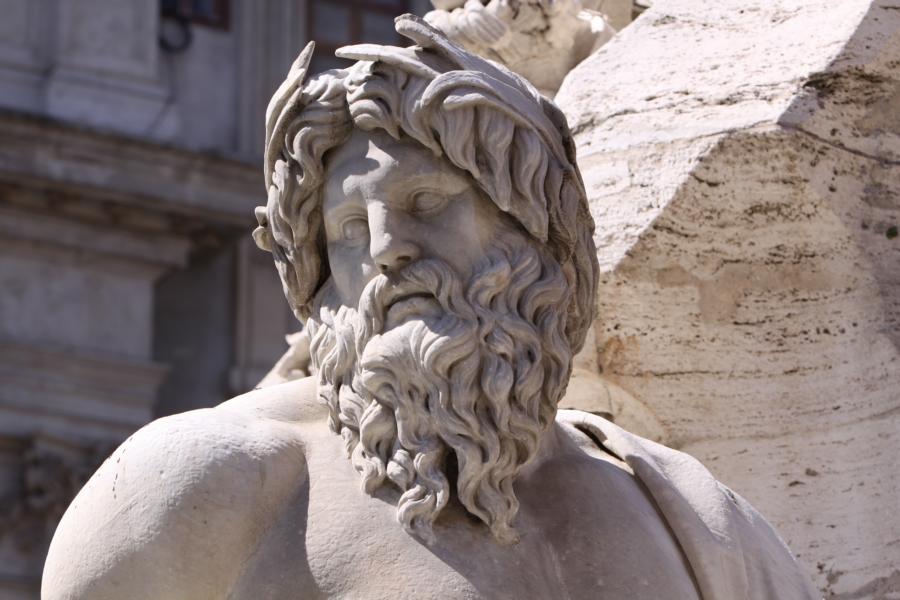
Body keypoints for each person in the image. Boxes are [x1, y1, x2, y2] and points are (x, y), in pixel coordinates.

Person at [42, 16, 817, 600]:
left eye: (425, 202)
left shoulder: (701, 521)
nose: (385, 248)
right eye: (348, 228)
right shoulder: (197, 488)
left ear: (538, 232)